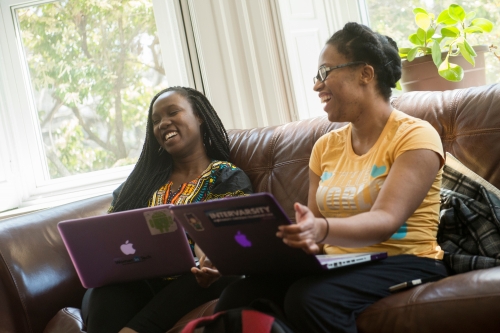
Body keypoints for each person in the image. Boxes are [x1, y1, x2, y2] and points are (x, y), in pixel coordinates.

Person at [214, 22, 448, 333]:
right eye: (317, 76)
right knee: (237, 295)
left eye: (325, 73)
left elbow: (386, 219)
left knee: (310, 298)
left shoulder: (416, 136)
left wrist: (320, 229)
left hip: (405, 259)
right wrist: (240, 254)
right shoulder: (325, 147)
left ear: (366, 74)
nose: (316, 86)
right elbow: (314, 241)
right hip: (340, 264)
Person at [81, 86, 253, 333]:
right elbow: (112, 237)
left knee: (216, 277)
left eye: (173, 112)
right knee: (103, 290)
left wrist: (210, 258)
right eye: (156, 120)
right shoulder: (141, 182)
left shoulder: (225, 176)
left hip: (191, 281)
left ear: (199, 116)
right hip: (136, 282)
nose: (163, 123)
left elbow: (230, 238)